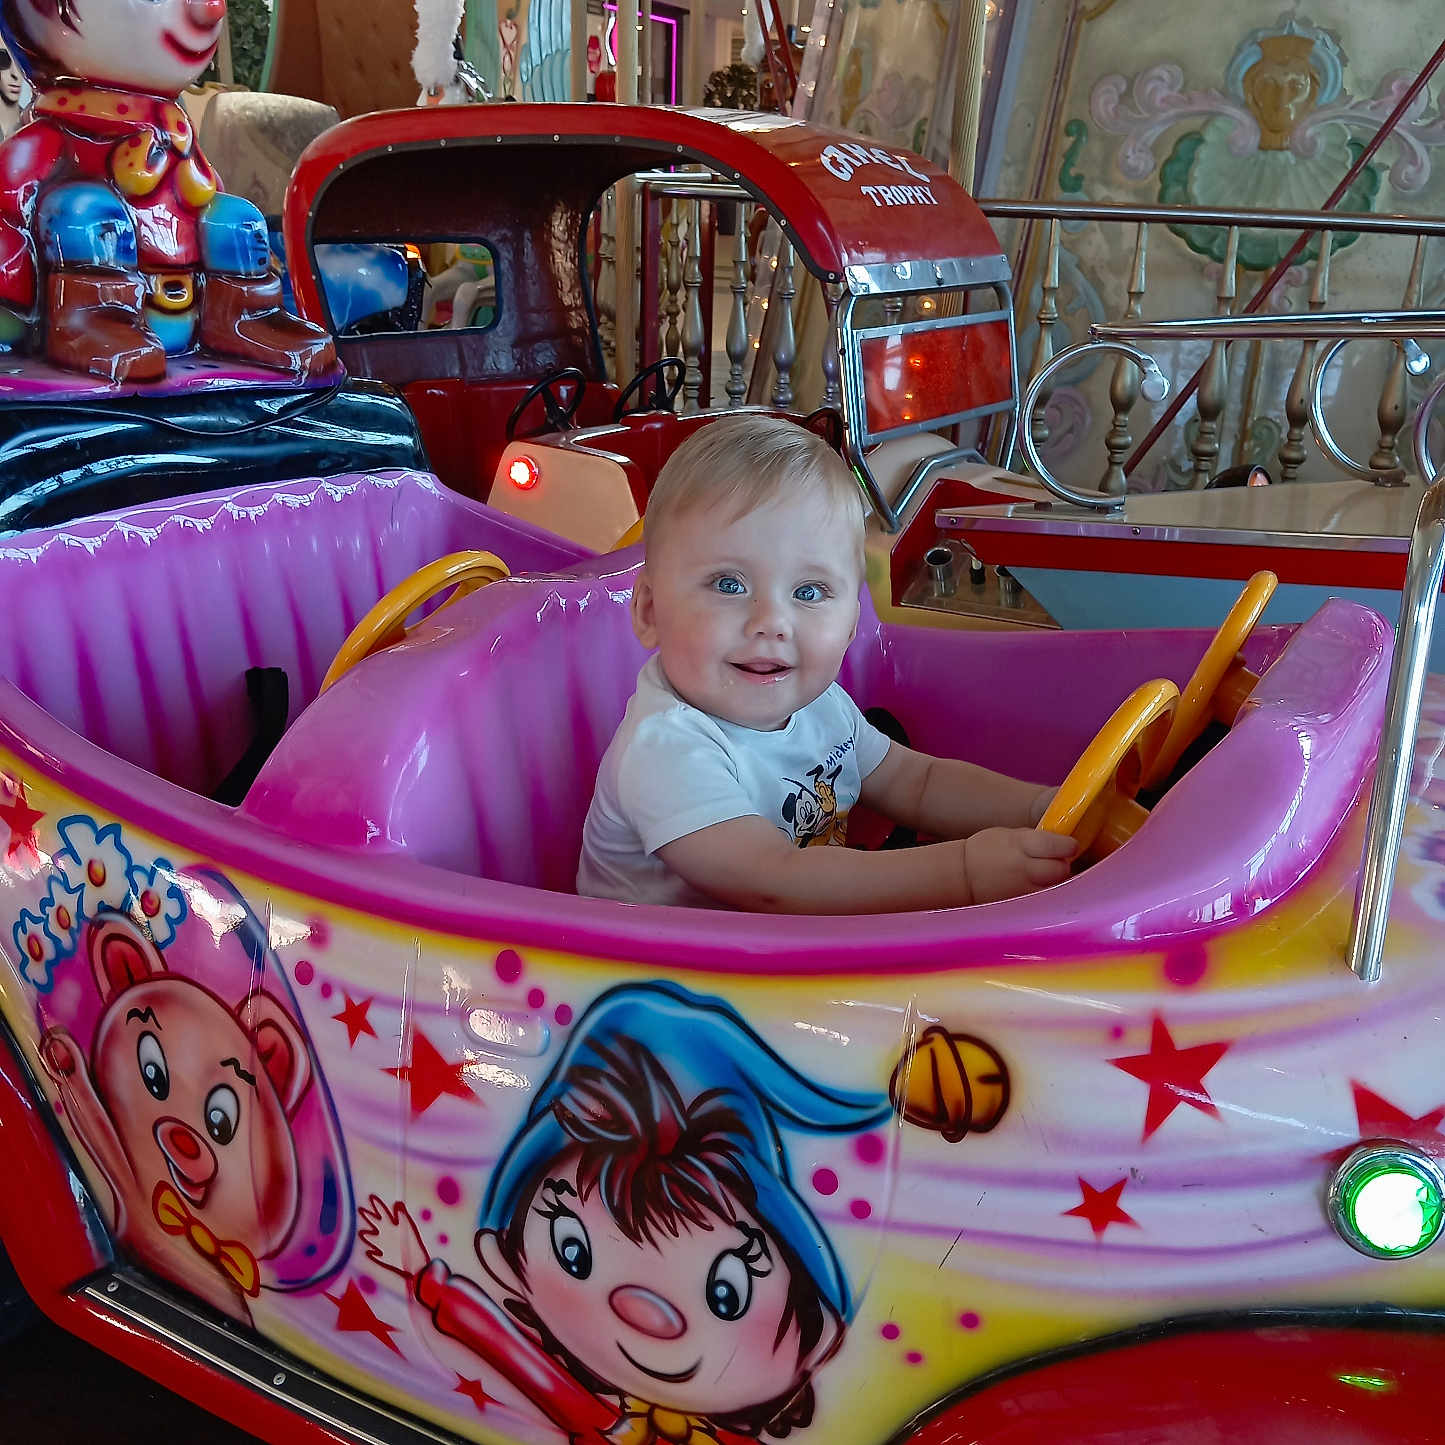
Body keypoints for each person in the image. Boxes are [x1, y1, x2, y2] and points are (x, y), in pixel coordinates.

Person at [577, 415, 1075, 912]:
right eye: (729, 584)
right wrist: (965, 872)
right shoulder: (667, 749)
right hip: (670, 980)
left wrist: (1038, 809)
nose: (771, 622)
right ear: (649, 611)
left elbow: (916, 782)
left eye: (809, 592)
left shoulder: (818, 702)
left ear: (852, 624)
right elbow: (774, 880)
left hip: (780, 952)